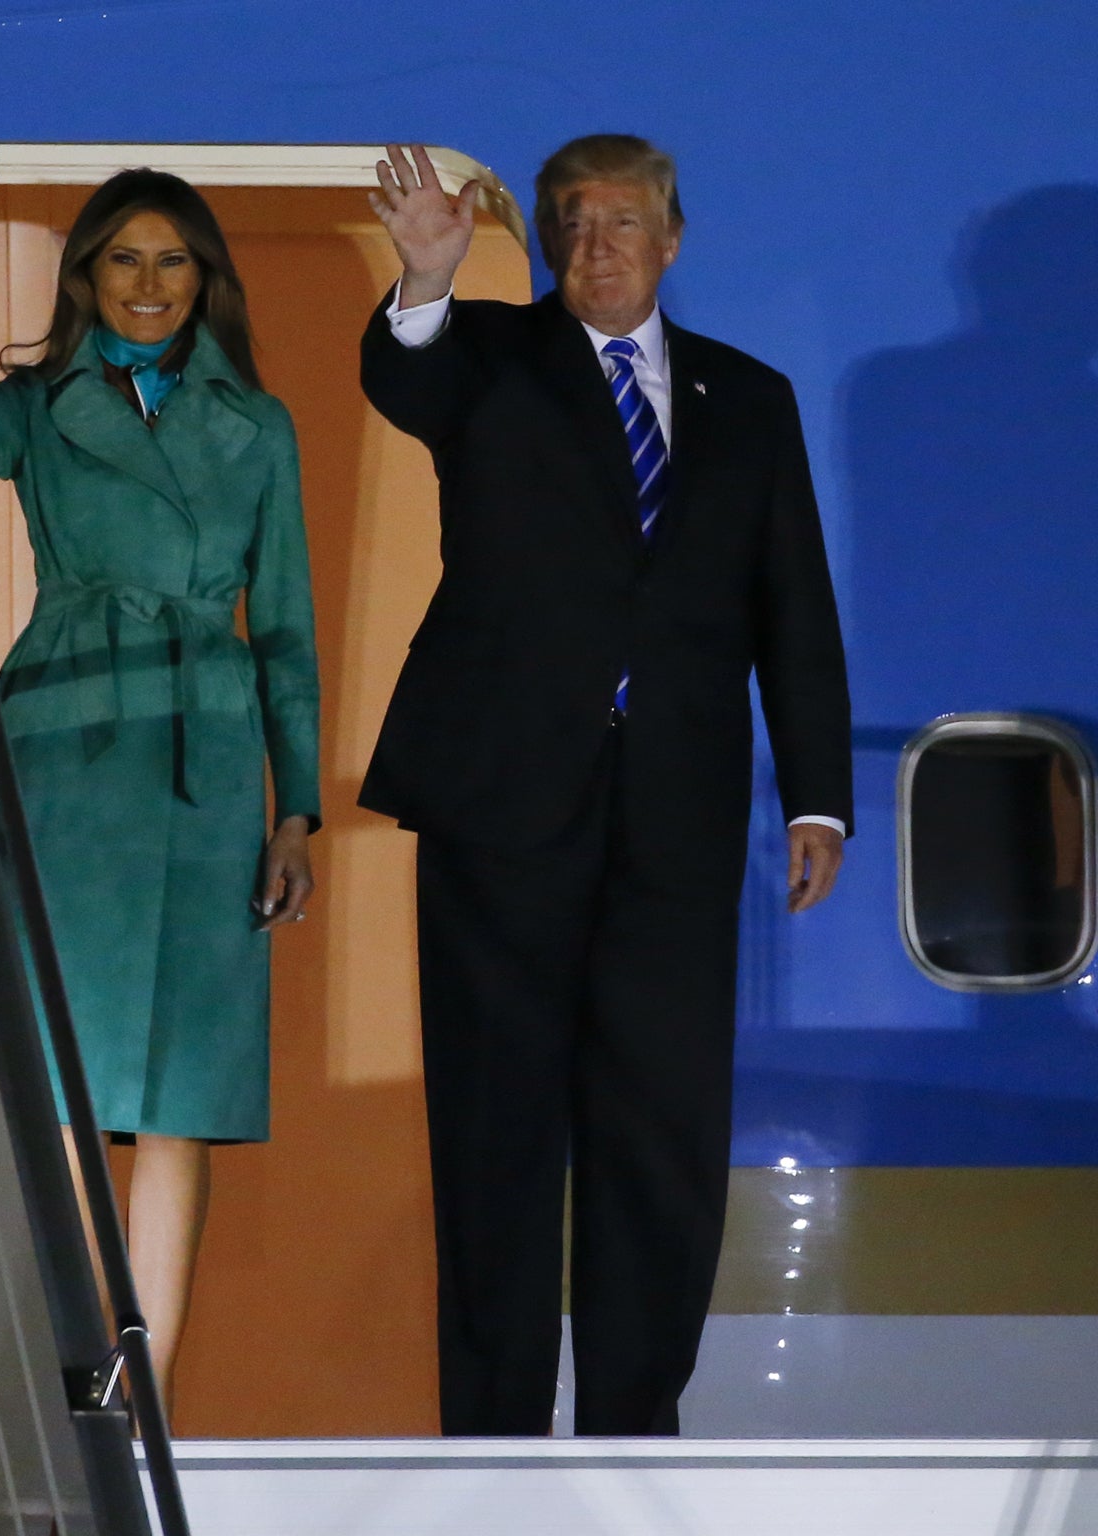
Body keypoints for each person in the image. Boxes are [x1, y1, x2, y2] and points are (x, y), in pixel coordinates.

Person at [357, 137, 851, 1435]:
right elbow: (403, 380)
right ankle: (495, 1443)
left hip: (677, 823)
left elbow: (791, 604)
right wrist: (422, 277)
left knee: (662, 1137)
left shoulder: (753, 397)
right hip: (502, 808)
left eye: (624, 222)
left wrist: (816, 795)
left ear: (672, 240)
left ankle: (639, 1427)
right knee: (495, 1136)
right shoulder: (488, 361)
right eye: (572, 223)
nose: (597, 245)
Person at [0, 109, 321, 1411]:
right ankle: (64, 1375)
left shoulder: (260, 428)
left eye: (173, 262)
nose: (148, 285)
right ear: (86, 279)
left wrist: (299, 810)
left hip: (207, 760)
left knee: (182, 1096)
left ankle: (143, 1401)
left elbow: (289, 624)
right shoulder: (40, 408)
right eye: (124, 262)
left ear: (207, 281)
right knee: (71, 1084)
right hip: (69, 754)